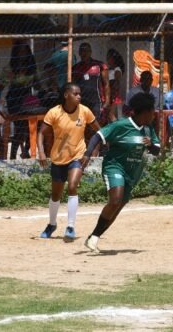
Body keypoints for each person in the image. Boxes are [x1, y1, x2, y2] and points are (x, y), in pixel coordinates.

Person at [82, 91, 160, 253]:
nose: (154, 115)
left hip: (132, 173)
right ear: (145, 112)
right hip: (114, 166)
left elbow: (157, 151)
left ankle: (94, 236)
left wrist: (151, 145)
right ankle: (95, 237)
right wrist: (87, 154)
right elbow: (98, 135)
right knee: (115, 199)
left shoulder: (148, 130)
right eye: (153, 111)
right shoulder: (122, 125)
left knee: (118, 206)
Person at [37, 83, 100, 241]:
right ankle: (52, 224)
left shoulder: (84, 111)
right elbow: (41, 133)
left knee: (72, 186)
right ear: (66, 95)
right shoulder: (54, 112)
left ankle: (70, 226)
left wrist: (93, 150)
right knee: (56, 195)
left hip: (77, 155)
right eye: (76, 93)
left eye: (80, 94)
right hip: (58, 158)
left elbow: (99, 132)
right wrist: (42, 152)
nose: (79, 96)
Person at [5, 40, 39, 159]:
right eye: (20, 51)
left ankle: (26, 150)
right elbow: (4, 82)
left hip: (27, 99)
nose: (22, 53)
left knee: (31, 126)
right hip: (14, 99)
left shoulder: (31, 68)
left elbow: (38, 84)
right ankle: (14, 154)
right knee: (19, 127)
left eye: (24, 51)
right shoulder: (11, 67)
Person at [72, 43, 108, 122]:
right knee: (82, 125)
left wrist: (107, 101)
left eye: (86, 51)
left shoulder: (100, 66)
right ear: (79, 53)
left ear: (90, 52)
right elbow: (72, 86)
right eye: (82, 51)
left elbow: (106, 84)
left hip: (97, 101)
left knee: (97, 124)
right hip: (81, 102)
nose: (84, 53)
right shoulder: (75, 68)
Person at [106, 49, 126, 122]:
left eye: (109, 58)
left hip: (114, 96)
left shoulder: (117, 69)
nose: (107, 59)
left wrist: (113, 94)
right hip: (109, 95)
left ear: (114, 59)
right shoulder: (109, 69)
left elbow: (117, 82)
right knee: (109, 115)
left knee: (111, 115)